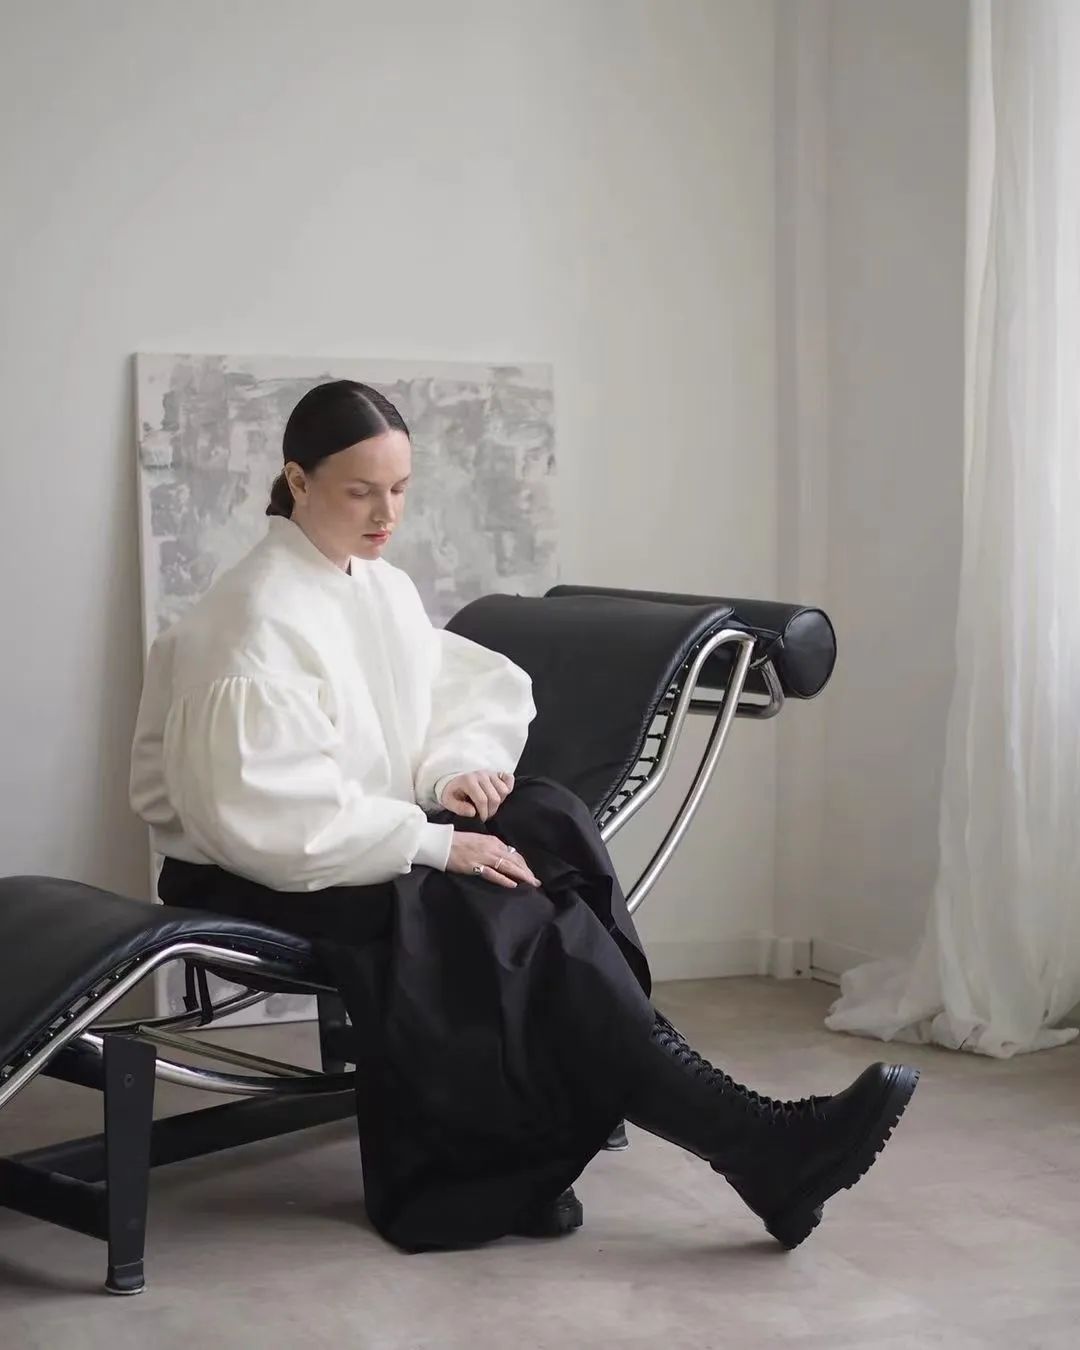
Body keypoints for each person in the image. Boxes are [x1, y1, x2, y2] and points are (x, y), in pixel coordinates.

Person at [130, 379, 919, 1253]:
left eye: (400, 489)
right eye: (360, 491)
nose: (387, 514)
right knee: (502, 917)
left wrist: (452, 770)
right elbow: (262, 814)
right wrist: (434, 844)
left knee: (546, 823)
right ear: (297, 480)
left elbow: (444, 695)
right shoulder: (253, 619)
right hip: (257, 871)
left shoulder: (374, 586)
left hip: (358, 834)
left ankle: (660, 1152)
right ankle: (754, 1144)